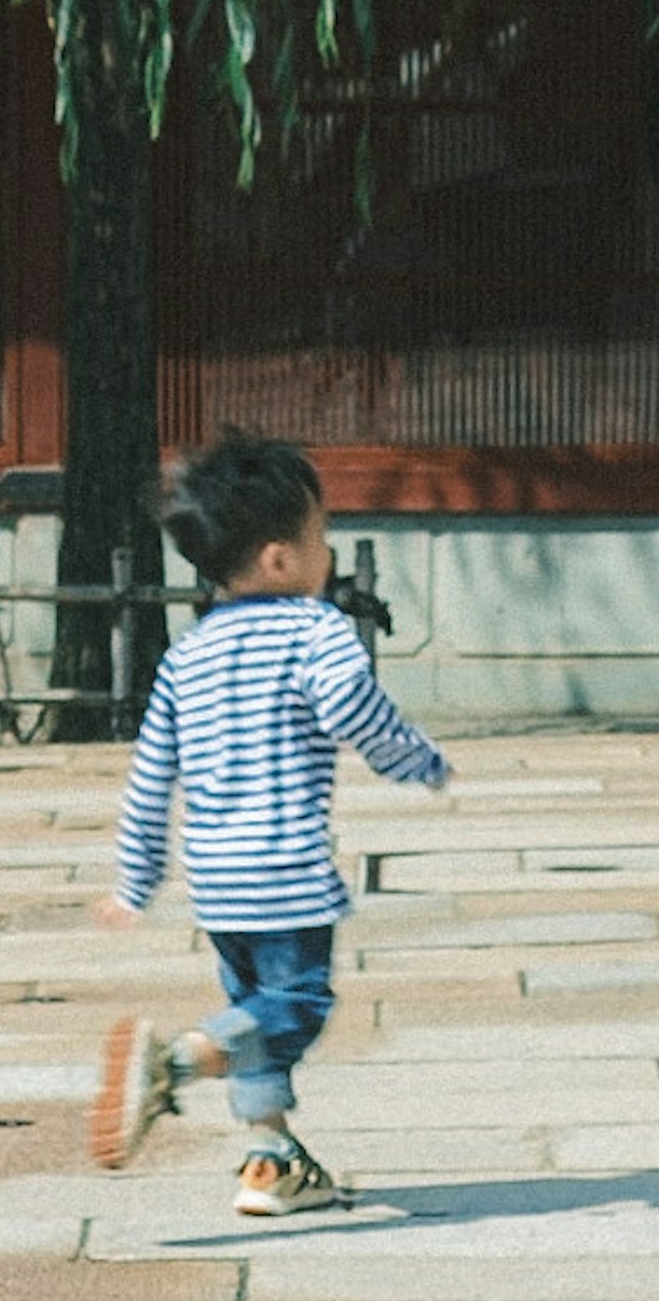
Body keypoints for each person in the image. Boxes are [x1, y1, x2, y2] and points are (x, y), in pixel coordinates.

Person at [90, 426, 451, 1215]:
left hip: (218, 882)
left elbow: (152, 774)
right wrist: (415, 759)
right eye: (321, 538)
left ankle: (271, 1162)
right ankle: (178, 1064)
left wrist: (136, 879)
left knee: (252, 1009)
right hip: (286, 871)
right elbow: (357, 707)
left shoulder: (187, 655)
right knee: (296, 1006)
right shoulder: (314, 630)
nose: (327, 554)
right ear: (282, 559)